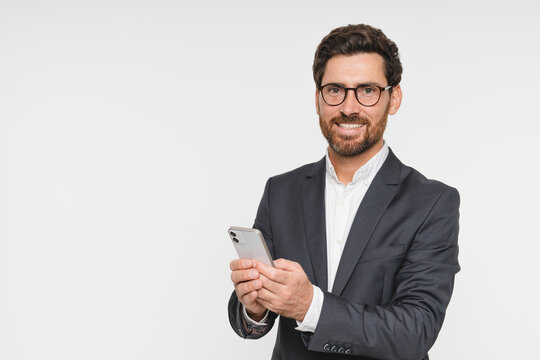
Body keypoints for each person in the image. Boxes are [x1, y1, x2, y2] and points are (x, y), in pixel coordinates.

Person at [227, 24, 460, 360]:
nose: (348, 107)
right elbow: (250, 319)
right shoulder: (281, 191)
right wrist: (255, 307)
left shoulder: (431, 203)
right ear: (318, 99)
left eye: (367, 90)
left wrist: (311, 306)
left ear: (393, 98)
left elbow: (417, 330)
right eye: (335, 90)